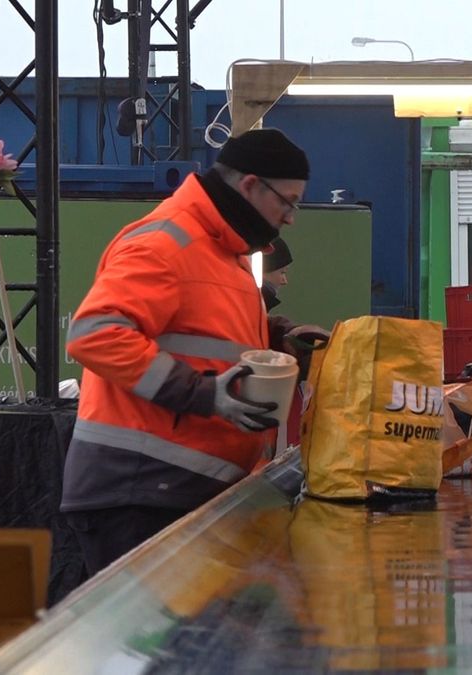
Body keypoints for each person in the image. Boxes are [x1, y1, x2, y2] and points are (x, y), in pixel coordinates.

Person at [61, 128, 319, 575]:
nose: (291, 217)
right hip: (139, 495)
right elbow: (95, 333)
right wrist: (204, 394)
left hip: (171, 493)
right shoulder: (165, 243)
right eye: (289, 202)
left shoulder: (226, 251)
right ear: (251, 185)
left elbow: (207, 331)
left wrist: (280, 338)